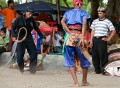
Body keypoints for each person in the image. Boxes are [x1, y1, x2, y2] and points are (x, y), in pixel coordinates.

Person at [61, 0, 90, 86]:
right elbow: (84, 24)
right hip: (79, 35)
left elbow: (62, 21)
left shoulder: (68, 12)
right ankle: (84, 81)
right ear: (80, 4)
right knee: (84, 58)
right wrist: (82, 36)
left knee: (70, 59)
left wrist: (69, 33)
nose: (80, 5)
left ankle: (76, 83)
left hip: (70, 37)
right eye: (80, 3)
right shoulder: (84, 13)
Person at [11, 8, 44, 73]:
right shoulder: (19, 18)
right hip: (20, 37)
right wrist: (14, 36)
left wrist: (42, 37)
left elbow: (37, 29)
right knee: (20, 55)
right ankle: (21, 69)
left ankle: (32, 70)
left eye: (31, 13)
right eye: (29, 13)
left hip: (28, 37)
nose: (30, 14)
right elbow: (13, 27)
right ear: (26, 12)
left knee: (33, 53)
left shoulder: (32, 20)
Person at [90, 7, 116, 75]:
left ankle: (103, 70)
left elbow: (113, 31)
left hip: (102, 39)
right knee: (95, 55)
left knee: (103, 56)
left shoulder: (108, 22)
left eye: (101, 13)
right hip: (95, 39)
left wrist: (108, 39)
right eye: (98, 13)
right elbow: (92, 31)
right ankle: (97, 70)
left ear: (104, 13)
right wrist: (91, 40)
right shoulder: (95, 21)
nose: (99, 14)